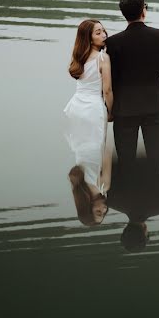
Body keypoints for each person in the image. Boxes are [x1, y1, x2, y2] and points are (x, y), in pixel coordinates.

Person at [104, 0, 159, 172]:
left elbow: (110, 79)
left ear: (124, 14)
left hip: (124, 107)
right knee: (156, 156)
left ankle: (127, 194)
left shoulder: (113, 42)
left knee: (125, 160)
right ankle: (156, 192)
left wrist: (110, 108)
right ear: (143, 11)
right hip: (153, 105)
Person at [63, 19, 114, 225]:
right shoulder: (103, 58)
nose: (104, 35)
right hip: (93, 109)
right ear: (89, 38)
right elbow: (108, 90)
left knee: (83, 147)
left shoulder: (79, 56)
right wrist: (112, 112)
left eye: (103, 31)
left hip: (75, 108)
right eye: (98, 33)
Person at [106, 142, 159, 252]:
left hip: (154, 141)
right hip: (124, 139)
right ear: (125, 229)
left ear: (145, 232)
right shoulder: (112, 201)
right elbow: (111, 162)